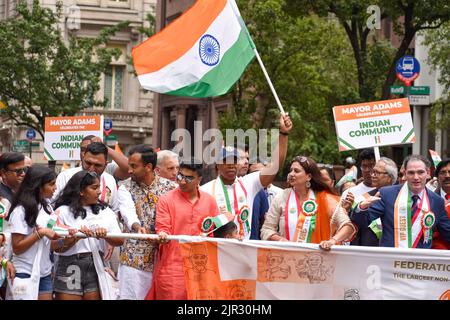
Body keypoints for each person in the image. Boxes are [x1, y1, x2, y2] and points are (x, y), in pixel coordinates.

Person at [200, 114, 293, 240]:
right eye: (226, 161)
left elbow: (275, 166)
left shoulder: (248, 183)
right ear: (218, 165)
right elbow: (201, 225)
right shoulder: (205, 190)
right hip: (219, 250)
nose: (231, 165)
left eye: (234, 160)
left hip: (244, 248)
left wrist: (283, 134)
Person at [147, 159, 219, 300]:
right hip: (173, 268)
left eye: (189, 178)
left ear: (199, 179)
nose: (182, 181)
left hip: (202, 267)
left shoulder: (209, 201)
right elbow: (163, 227)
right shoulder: (166, 200)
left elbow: (216, 228)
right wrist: (162, 234)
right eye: (180, 176)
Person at [352, 155, 450, 248]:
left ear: (428, 173)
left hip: (420, 262)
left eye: (420, 172)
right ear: (405, 173)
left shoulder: (437, 201)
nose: (416, 177)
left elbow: (447, 232)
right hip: (391, 261)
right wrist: (362, 208)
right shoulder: (387, 194)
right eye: (411, 173)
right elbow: (361, 222)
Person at [53, 171, 124, 300]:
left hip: (96, 266)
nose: (99, 192)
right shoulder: (62, 212)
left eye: (99, 187)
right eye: (94, 187)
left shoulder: (106, 211)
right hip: (71, 266)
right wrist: (75, 238)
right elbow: (55, 247)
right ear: (81, 191)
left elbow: (119, 241)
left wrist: (105, 235)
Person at [260, 156, 356, 250]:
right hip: (287, 257)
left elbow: (347, 226)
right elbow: (266, 229)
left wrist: (332, 241)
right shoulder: (281, 197)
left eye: (296, 171)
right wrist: (280, 240)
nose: (291, 174)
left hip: (318, 259)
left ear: (309, 176)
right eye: (291, 170)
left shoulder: (326, 199)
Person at [118, 145, 176, 300]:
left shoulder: (171, 188)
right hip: (133, 260)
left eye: (133, 166)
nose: (129, 170)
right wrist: (137, 227)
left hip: (164, 261)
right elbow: (127, 212)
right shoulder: (124, 187)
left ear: (148, 167)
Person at [53, 142, 140, 234]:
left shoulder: (110, 180)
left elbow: (115, 211)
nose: (91, 168)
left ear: (106, 165)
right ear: (82, 158)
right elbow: (54, 206)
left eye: (97, 165)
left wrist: (108, 235)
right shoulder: (65, 176)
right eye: (88, 163)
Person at [7, 165, 60, 300]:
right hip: (24, 272)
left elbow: (50, 243)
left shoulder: (47, 207)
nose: (55, 188)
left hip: (45, 273)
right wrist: (40, 234)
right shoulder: (20, 211)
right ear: (38, 186)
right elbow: (17, 248)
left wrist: (68, 237)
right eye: (51, 184)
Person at [349, 157, 398, 246]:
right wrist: (361, 207)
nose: (372, 175)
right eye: (373, 172)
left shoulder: (400, 197)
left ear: (389, 177)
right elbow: (353, 220)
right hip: (366, 250)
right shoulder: (364, 197)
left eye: (377, 173)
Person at [431, 159, 450, 249]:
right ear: (437, 177)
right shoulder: (429, 199)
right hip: (436, 255)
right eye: (443, 172)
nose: (447, 176)